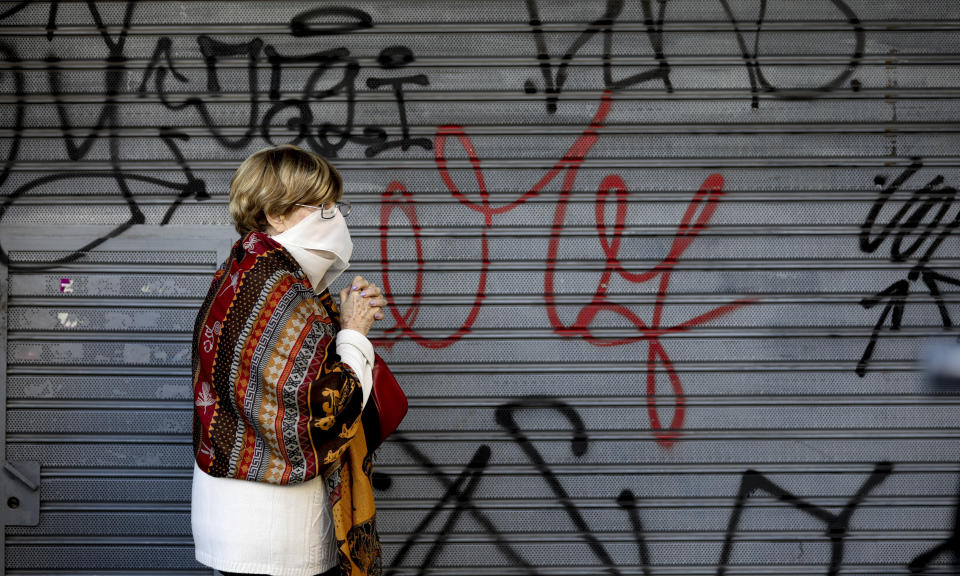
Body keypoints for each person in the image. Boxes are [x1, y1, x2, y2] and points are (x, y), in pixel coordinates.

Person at [190, 143, 386, 576]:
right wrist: (353, 331)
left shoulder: (242, 271)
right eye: (322, 206)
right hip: (271, 531)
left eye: (337, 205)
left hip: (240, 516)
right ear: (275, 214)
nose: (336, 217)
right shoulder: (277, 287)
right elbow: (323, 413)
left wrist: (336, 318)